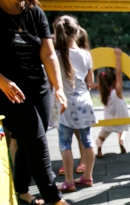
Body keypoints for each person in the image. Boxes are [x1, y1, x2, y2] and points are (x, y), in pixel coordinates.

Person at [0, 0, 80, 205]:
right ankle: (55, 198)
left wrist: (59, 88)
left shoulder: (35, 12)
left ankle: (22, 190)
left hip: (38, 87)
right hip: (5, 89)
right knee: (36, 139)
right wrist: (0, 80)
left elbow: (48, 54)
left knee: (30, 139)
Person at [53, 15, 96, 192]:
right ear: (77, 32)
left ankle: (69, 181)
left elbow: (53, 82)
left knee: (65, 143)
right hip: (84, 102)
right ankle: (87, 177)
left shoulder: (55, 56)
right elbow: (90, 82)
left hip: (66, 104)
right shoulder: (86, 54)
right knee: (87, 140)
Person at [95, 48, 130, 158]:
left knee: (100, 137)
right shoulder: (117, 92)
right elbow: (118, 72)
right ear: (115, 81)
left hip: (109, 123)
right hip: (121, 121)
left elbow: (95, 84)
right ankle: (121, 141)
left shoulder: (103, 93)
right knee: (122, 131)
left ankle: (99, 147)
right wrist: (118, 56)